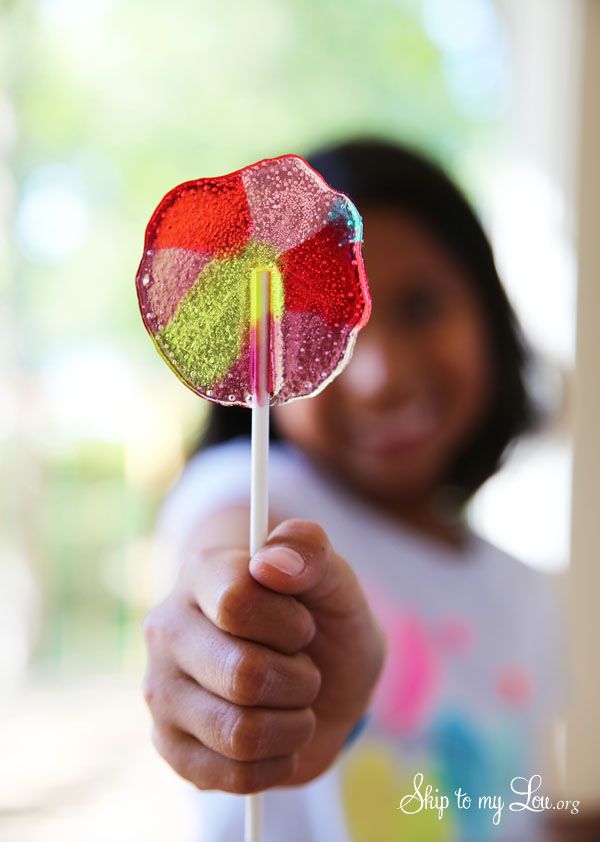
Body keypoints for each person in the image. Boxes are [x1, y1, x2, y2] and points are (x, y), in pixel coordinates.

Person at [142, 140, 564, 841]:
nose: (382, 377)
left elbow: (512, 810)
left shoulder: (528, 591)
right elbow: (216, 561)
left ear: (488, 310)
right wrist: (219, 635)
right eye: (329, 318)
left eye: (422, 306)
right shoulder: (251, 494)